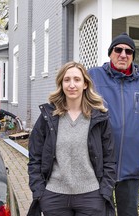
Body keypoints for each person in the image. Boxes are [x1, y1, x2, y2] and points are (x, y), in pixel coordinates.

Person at [27, 61, 116, 216]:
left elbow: (110, 159)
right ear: (61, 84)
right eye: (67, 80)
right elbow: (35, 157)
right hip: (54, 197)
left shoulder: (99, 118)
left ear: (85, 84)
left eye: (77, 79)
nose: (72, 85)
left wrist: (105, 191)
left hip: (91, 196)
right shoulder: (48, 117)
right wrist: (40, 192)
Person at [88, 32, 139, 216]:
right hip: (101, 163)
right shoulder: (93, 76)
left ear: (133, 56)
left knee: (129, 212)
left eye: (128, 51)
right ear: (110, 53)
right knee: (100, 211)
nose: (123, 54)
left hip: (131, 163)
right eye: (118, 50)